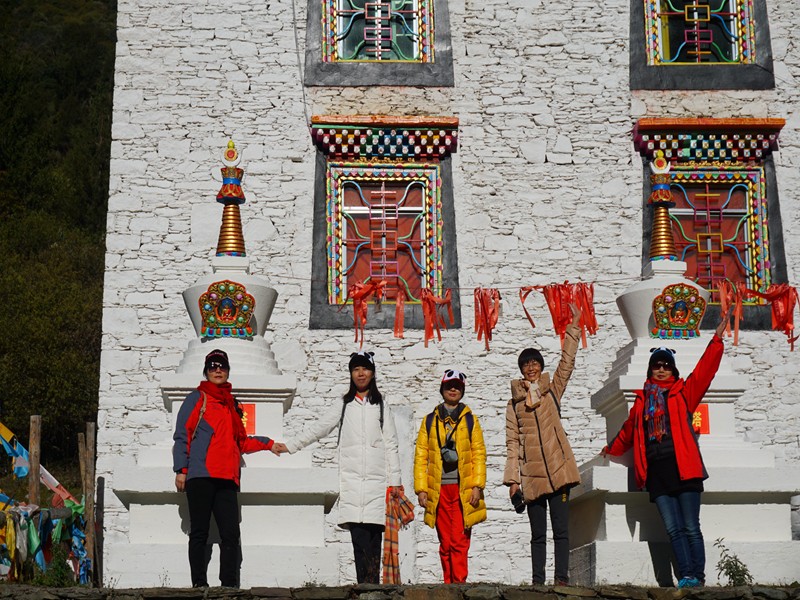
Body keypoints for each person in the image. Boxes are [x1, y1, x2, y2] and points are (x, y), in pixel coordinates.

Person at [602, 306, 732, 589]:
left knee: (690, 527)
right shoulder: (641, 403)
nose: (661, 369)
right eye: (657, 366)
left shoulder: (683, 394)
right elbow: (627, 434)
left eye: (666, 365)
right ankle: (685, 576)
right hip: (657, 473)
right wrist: (608, 450)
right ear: (650, 370)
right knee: (673, 529)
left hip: (685, 469)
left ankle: (698, 577)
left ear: (673, 370)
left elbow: (705, 372)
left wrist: (716, 341)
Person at [278, 351, 402, 584]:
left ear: (372, 373)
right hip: (352, 483)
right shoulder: (344, 405)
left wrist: (395, 483)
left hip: (377, 485)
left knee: (375, 540)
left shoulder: (381, 407)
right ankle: (364, 586)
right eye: (356, 369)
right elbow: (319, 428)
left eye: (365, 369)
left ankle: (374, 586)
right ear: (351, 374)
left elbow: (391, 445)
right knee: (359, 539)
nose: (361, 374)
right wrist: (291, 446)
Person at [172, 349, 286, 588]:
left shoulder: (231, 404)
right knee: (199, 532)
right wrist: (181, 469)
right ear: (206, 371)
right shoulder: (197, 398)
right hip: (201, 475)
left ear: (227, 370)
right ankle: (199, 585)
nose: (217, 370)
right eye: (212, 366)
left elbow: (241, 442)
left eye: (222, 366)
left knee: (231, 535)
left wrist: (268, 444)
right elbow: (183, 434)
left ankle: (229, 587)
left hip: (227, 477)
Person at [503, 303, 582, 586]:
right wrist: (513, 480)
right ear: (521, 370)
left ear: (541, 367)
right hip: (532, 477)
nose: (531, 367)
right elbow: (512, 443)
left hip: (559, 471)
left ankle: (561, 579)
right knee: (537, 535)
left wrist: (573, 328)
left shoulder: (552, 392)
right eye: (526, 364)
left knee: (561, 531)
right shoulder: (514, 405)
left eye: (535, 363)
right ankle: (538, 583)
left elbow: (567, 364)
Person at [414, 369, 487, 583]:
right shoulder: (429, 421)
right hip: (438, 489)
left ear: (462, 391)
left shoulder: (471, 420)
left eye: (457, 386)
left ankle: (459, 585)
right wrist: (421, 489)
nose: (453, 390)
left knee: (460, 540)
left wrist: (477, 486)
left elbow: (479, 454)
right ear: (442, 389)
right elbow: (421, 456)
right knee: (445, 541)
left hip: (463, 488)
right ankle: (448, 585)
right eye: (449, 386)